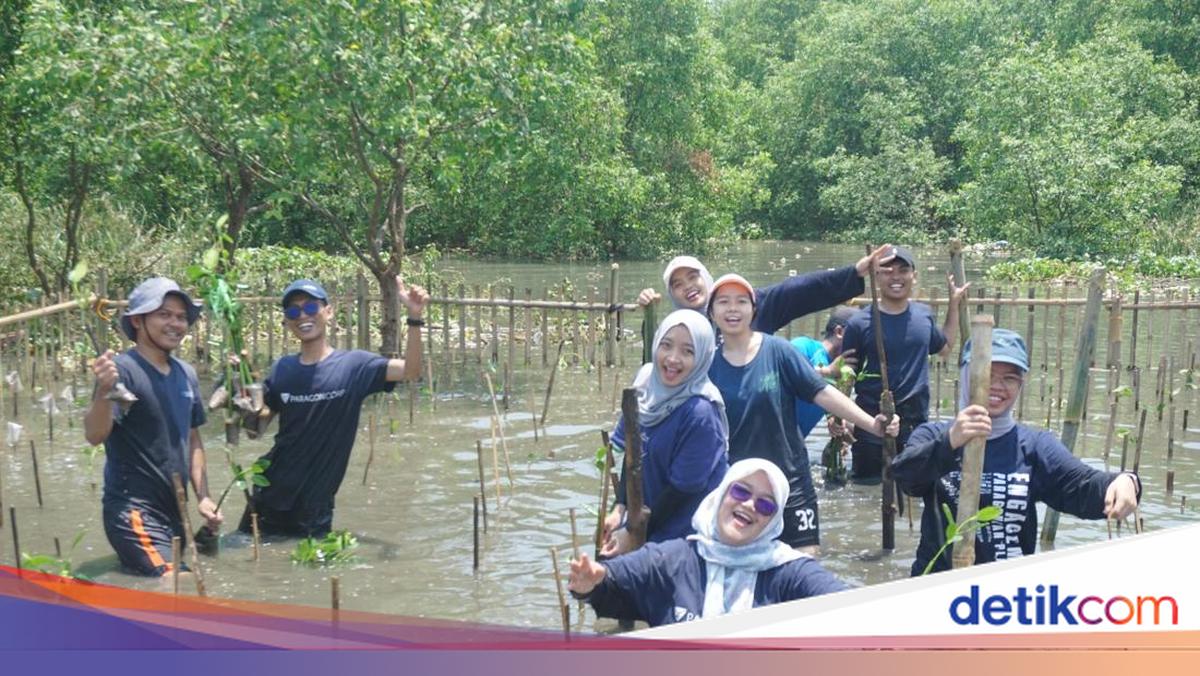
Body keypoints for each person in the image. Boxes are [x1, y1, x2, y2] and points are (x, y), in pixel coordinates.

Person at [892, 329, 1141, 576]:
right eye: (987, 374)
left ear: (1020, 384)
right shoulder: (933, 434)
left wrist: (1126, 481)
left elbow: (1083, 487)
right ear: (967, 375)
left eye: (1010, 378)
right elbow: (906, 479)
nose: (997, 386)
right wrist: (950, 442)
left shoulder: (1034, 445)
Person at [706, 274, 898, 553]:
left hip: (791, 481)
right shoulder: (708, 366)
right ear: (711, 312)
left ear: (754, 309)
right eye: (723, 302)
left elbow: (821, 392)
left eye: (741, 301)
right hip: (739, 492)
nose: (732, 309)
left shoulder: (779, 351)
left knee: (805, 566)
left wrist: (872, 425)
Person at [237, 276, 428, 537]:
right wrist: (242, 403)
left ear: (328, 312)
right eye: (294, 310)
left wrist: (414, 317)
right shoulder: (282, 370)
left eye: (311, 307)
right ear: (287, 321)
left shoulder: (355, 366)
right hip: (269, 497)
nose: (303, 315)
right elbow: (254, 431)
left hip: (315, 507)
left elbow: (411, 371)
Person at [569, 459, 849, 627]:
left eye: (765, 505)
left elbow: (848, 604)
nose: (749, 505)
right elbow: (615, 579)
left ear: (773, 521)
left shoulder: (788, 572)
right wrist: (590, 582)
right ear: (721, 496)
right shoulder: (673, 559)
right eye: (740, 490)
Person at [85, 277, 222, 576]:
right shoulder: (123, 371)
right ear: (137, 321)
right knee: (180, 586)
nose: (175, 323)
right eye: (164, 314)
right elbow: (95, 435)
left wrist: (204, 497)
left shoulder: (186, 374)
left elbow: (193, 439)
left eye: (181, 316)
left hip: (174, 513)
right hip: (133, 512)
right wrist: (103, 390)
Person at [601, 310, 729, 556]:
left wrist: (634, 534)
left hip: (684, 540)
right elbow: (632, 459)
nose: (672, 359)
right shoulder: (646, 388)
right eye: (666, 345)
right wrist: (620, 510)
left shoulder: (700, 412)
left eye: (687, 351)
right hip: (646, 523)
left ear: (703, 357)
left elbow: (681, 492)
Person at [840, 245, 969, 480]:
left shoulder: (924, 315)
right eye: (887, 271)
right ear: (875, 276)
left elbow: (945, 348)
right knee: (867, 488)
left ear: (914, 276)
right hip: (872, 424)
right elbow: (847, 373)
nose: (896, 277)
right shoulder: (859, 323)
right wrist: (838, 419)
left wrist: (954, 304)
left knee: (913, 488)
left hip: (915, 424)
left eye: (902, 270)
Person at [635, 245, 896, 336]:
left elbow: (801, 289)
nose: (688, 287)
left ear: (706, 277)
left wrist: (855, 272)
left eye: (693, 277)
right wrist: (648, 315)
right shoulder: (677, 327)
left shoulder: (750, 305)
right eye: (677, 284)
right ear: (671, 295)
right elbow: (656, 364)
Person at [792, 305, 859, 437]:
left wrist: (835, 422)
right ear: (839, 332)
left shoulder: (841, 374)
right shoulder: (804, 347)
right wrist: (827, 371)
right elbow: (780, 373)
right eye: (858, 335)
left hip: (792, 446)